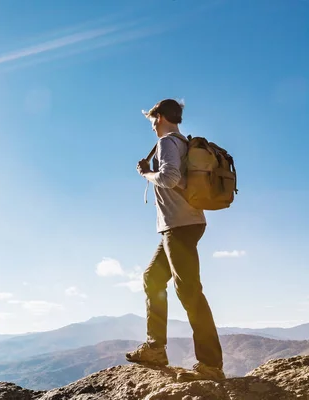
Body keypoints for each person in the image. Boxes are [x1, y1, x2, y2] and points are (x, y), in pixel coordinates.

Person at [125, 99, 225, 382]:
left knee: (189, 291)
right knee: (153, 278)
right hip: (184, 224)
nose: (153, 125)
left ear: (160, 117)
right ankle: (155, 348)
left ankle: (211, 365)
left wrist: (145, 173)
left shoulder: (168, 142)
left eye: (153, 119)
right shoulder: (182, 142)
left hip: (179, 226)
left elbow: (169, 178)